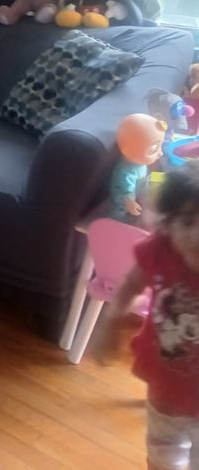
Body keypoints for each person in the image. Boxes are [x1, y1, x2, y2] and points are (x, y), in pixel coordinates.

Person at [93, 161, 199, 470]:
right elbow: (128, 285)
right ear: (168, 224)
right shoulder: (159, 251)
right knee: (162, 460)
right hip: (165, 393)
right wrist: (110, 323)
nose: (197, 237)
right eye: (188, 221)